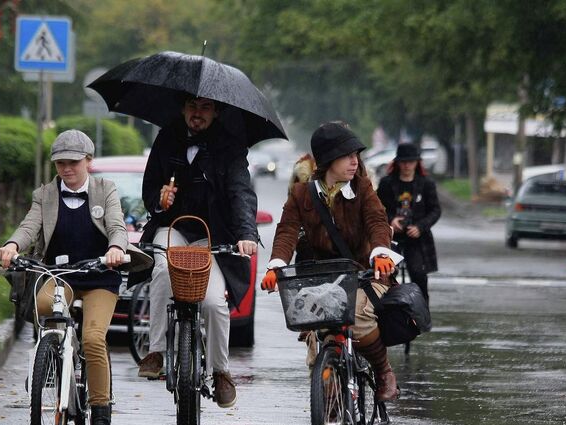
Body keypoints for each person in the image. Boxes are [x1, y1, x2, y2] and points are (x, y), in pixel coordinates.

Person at [0, 129, 150, 425]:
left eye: (73, 162)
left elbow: (116, 225)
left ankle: (100, 419)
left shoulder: (105, 189)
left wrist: (116, 248)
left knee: (93, 340)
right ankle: (52, 360)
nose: (67, 169)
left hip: (99, 277)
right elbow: (30, 225)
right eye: (60, 163)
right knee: (43, 307)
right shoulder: (45, 194)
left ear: (88, 162)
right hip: (60, 275)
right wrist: (12, 245)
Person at [133, 94, 258, 408]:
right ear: (183, 109)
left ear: (215, 112)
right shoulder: (166, 139)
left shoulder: (230, 146)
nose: (197, 114)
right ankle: (157, 350)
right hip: (171, 230)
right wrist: (159, 200)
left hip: (211, 238)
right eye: (192, 106)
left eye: (204, 107)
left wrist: (246, 233)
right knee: (161, 271)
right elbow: (149, 190)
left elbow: (241, 192)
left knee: (215, 303)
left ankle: (220, 372)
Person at [260, 122, 401, 401]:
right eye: (346, 154)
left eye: (356, 155)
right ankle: (329, 409)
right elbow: (287, 230)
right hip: (320, 279)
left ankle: (383, 371)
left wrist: (381, 253)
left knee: (357, 315)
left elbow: (377, 222)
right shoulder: (302, 194)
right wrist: (276, 266)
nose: (354, 161)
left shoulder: (362, 189)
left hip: (364, 275)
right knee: (316, 336)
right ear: (327, 160)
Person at [376, 142, 441, 304]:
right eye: (403, 162)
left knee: (418, 273)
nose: (407, 165)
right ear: (397, 162)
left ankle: (422, 310)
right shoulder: (386, 183)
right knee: (385, 272)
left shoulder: (426, 184)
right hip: (392, 237)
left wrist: (421, 227)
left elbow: (435, 210)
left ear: (417, 162)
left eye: (410, 161)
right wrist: (391, 220)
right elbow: (377, 207)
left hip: (416, 238)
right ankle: (387, 309)